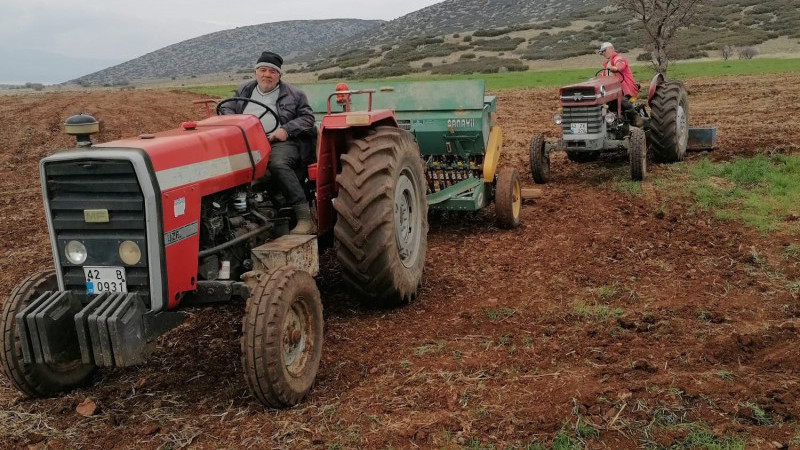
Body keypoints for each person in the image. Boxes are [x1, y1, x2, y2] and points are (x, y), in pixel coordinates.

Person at [220, 51, 317, 234]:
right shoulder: (245, 89)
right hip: (248, 142)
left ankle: (304, 218)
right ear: (256, 72)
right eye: (262, 70)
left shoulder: (294, 94)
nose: (267, 75)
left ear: (279, 75)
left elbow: (307, 118)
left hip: (281, 142)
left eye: (272, 71)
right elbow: (227, 107)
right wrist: (234, 122)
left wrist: (285, 130)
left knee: (277, 164)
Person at [598, 42, 644, 127]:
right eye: (601, 52)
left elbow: (620, 65)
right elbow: (603, 77)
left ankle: (635, 116)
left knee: (622, 100)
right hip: (611, 91)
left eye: (604, 51)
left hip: (624, 89)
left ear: (611, 49)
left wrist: (616, 68)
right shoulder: (606, 65)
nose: (603, 53)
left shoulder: (618, 58)